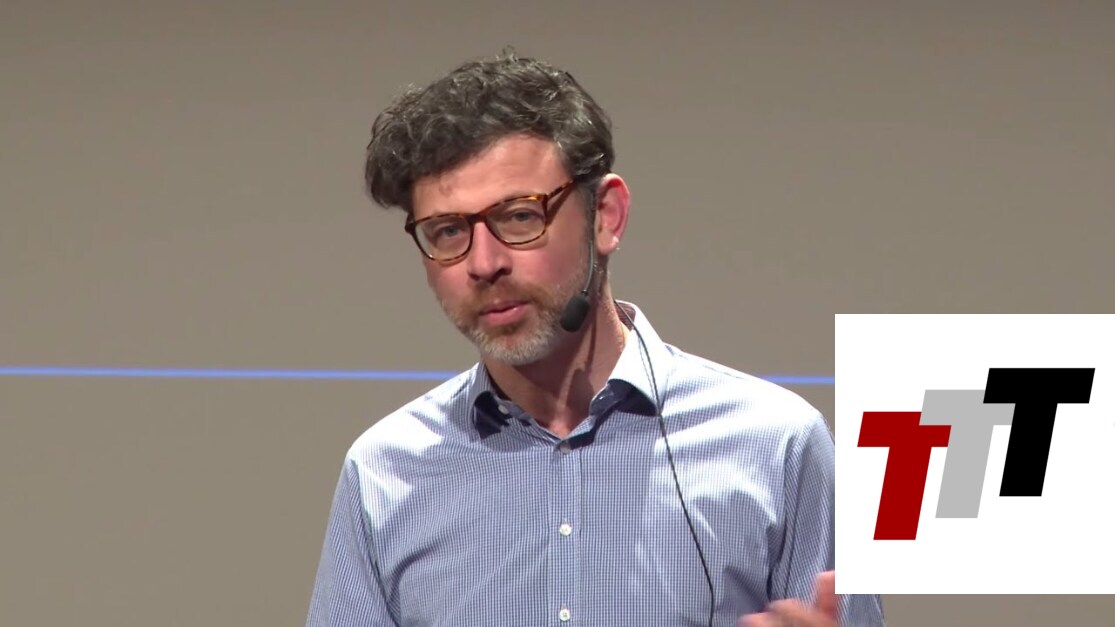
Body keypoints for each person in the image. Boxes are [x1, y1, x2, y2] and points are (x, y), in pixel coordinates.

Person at [306, 50, 885, 626]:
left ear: (606, 216)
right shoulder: (383, 475)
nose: (484, 263)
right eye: (448, 231)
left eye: (519, 217)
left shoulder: (777, 446)